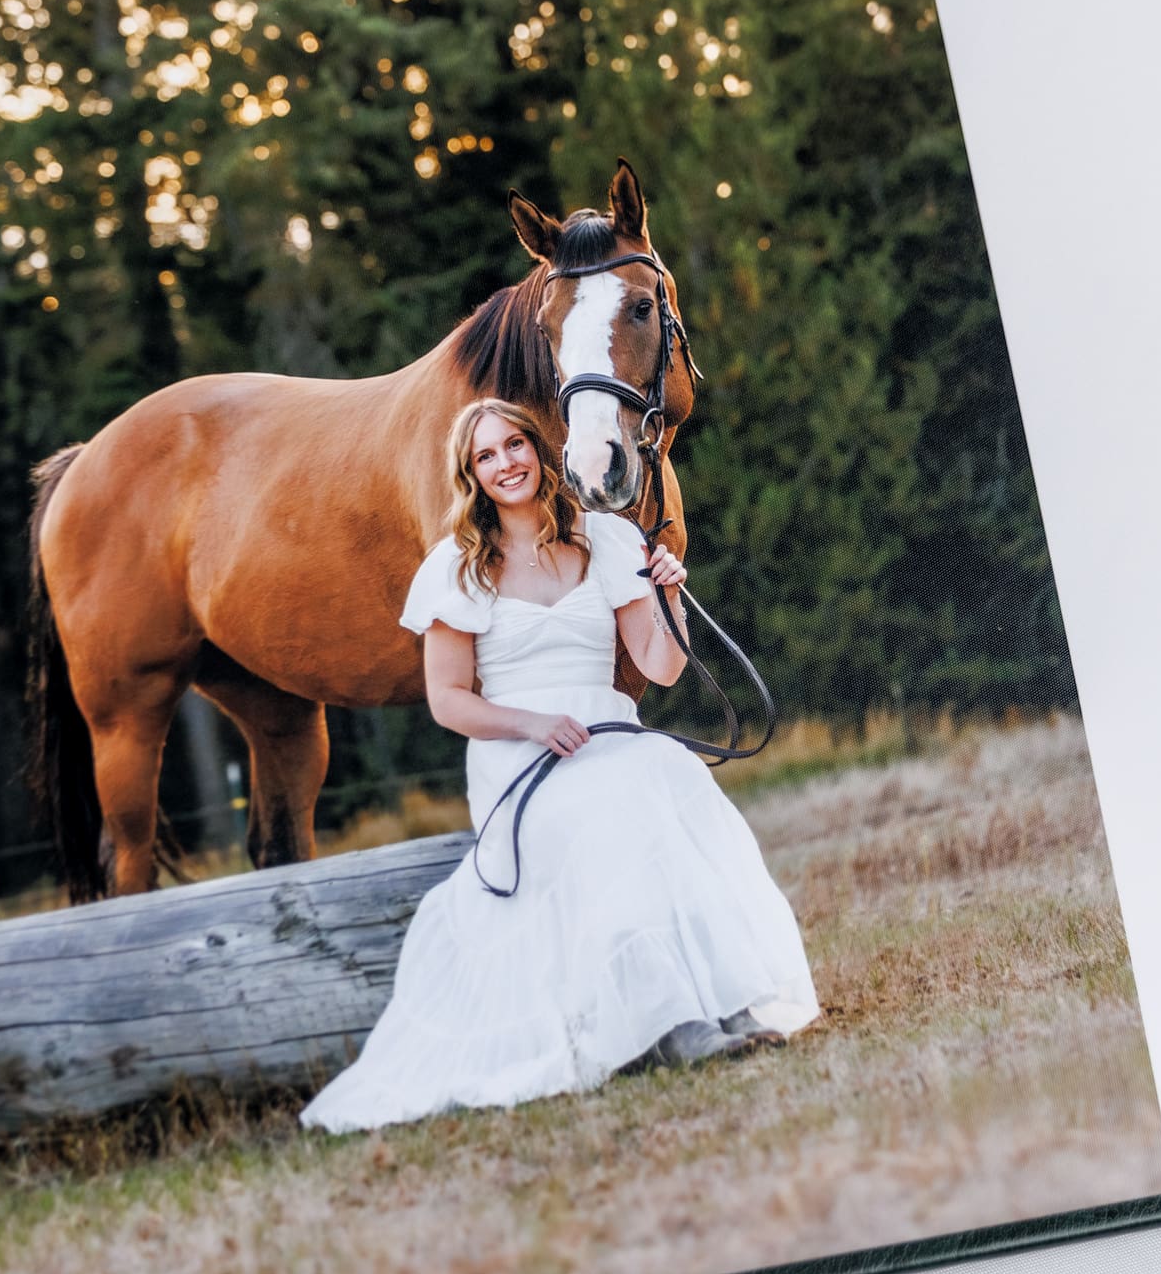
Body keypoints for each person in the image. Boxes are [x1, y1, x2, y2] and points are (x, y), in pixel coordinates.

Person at [299, 398, 818, 1134]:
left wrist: (666, 590)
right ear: (470, 474)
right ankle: (673, 1026)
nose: (506, 462)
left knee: (668, 779)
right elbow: (449, 702)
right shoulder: (457, 568)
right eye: (487, 456)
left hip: (610, 735)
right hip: (519, 755)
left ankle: (724, 999)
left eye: (515, 445)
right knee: (610, 806)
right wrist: (532, 724)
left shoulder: (606, 539)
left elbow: (660, 669)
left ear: (540, 451)